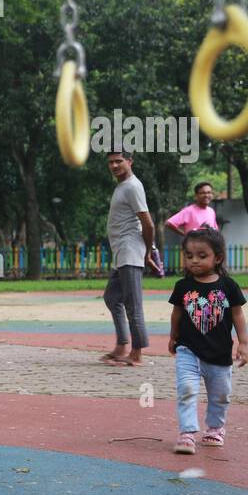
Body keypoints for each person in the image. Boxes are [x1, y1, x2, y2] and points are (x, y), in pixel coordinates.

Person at [168, 227, 248, 455]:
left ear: (218, 258)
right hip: (188, 350)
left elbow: (237, 315)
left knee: (220, 395)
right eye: (189, 256)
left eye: (202, 256)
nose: (194, 261)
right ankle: (187, 433)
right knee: (186, 389)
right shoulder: (182, 286)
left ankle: (215, 428)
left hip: (220, 353)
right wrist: (173, 336)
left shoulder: (228, 286)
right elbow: (177, 314)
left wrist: (243, 343)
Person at [101, 151, 159, 367]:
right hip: (122, 253)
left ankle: (136, 353)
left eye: (119, 161)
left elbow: (148, 224)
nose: (114, 165)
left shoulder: (133, 186)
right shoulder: (122, 186)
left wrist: (147, 252)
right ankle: (122, 345)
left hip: (131, 251)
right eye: (111, 162)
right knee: (111, 297)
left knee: (133, 305)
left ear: (129, 161)